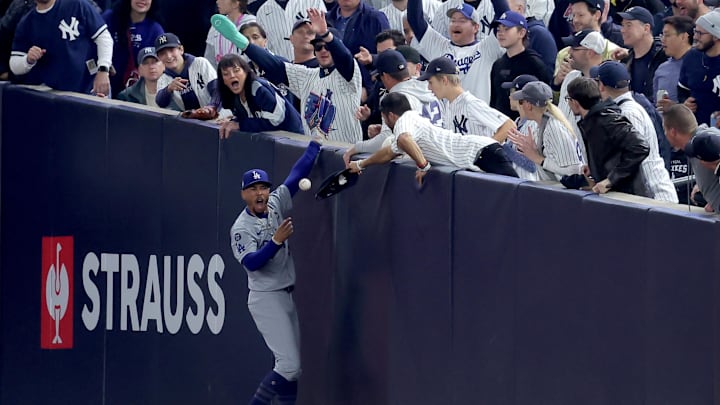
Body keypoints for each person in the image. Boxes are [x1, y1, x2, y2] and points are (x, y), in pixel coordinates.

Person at [230, 138, 322, 405]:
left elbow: (295, 177)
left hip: (284, 294)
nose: (260, 193)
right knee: (289, 366)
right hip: (265, 297)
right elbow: (252, 263)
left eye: (263, 187)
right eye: (253, 189)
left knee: (293, 371)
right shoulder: (241, 227)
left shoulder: (274, 205)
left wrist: (315, 145)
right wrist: (277, 241)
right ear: (244, 194)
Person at [228, 8, 363, 142]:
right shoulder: (307, 76)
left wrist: (325, 34)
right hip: (315, 153)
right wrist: (244, 44)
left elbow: (344, 57)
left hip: (346, 152)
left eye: (327, 46)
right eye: (318, 47)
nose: (323, 50)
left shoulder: (348, 74)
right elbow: (275, 65)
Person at [347, 92, 519, 183]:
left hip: (481, 152)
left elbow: (404, 139)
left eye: (384, 118)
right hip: (480, 154)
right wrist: (361, 164)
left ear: (391, 115)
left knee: (519, 197)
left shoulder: (404, 120)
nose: (385, 122)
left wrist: (423, 166)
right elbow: (388, 153)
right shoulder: (414, 120)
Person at [590, 61, 678, 202]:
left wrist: (610, 180)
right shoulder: (627, 108)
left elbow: (636, 154)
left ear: (601, 86)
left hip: (654, 194)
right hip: (648, 193)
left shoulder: (628, 113)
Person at [344, 49, 440, 159]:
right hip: (438, 161)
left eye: (380, 77)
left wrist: (357, 147)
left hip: (414, 163)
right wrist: (390, 129)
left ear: (386, 76)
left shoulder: (395, 98)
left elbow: (385, 142)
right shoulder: (429, 89)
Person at [407, 0, 509, 102]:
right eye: (453, 20)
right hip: (446, 116)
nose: (456, 24)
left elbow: (504, 15)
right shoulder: (439, 46)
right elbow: (414, 19)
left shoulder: (487, 48)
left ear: (476, 27)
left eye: (462, 21)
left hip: (476, 115)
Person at [566, 76, 650, 196]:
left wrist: (611, 179)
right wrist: (593, 167)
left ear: (574, 102)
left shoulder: (608, 120)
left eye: (568, 99)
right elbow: (608, 152)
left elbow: (640, 147)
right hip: (614, 194)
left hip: (629, 195)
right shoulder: (592, 121)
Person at [10, 0, 113, 96]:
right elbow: (14, 64)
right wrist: (28, 60)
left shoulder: (77, 5)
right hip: (56, 95)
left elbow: (104, 38)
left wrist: (103, 70)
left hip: (90, 87)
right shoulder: (27, 23)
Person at [420, 57, 515, 141]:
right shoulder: (449, 105)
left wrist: (486, 150)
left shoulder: (470, 104)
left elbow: (508, 125)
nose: (429, 87)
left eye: (431, 82)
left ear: (444, 80)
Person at [506, 81, 585, 180]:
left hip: (569, 192)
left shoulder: (553, 127)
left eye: (522, 101)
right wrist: (535, 152)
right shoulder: (542, 124)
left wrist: (538, 158)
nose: (521, 106)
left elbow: (575, 170)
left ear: (528, 105)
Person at [217, 54, 304, 138]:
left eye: (236, 70)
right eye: (226, 74)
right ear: (223, 80)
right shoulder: (233, 96)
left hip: (293, 137)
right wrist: (234, 121)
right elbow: (249, 118)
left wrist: (240, 124)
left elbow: (276, 120)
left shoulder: (258, 88)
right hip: (271, 141)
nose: (232, 76)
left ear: (246, 72)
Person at [489, 10, 552, 119]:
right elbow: (494, 100)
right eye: (498, 29)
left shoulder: (534, 63)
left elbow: (546, 100)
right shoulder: (497, 64)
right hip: (501, 125)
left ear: (521, 33)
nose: (500, 33)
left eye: (506, 29)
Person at [663, 104, 720, 211]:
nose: (665, 134)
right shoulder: (701, 140)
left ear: (672, 132)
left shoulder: (704, 143)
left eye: (665, 130)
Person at [154, 33, 224, 115]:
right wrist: (169, 89)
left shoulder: (200, 63)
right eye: (163, 53)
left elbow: (217, 90)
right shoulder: (163, 78)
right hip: (191, 122)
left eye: (171, 50)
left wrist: (211, 107)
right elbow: (160, 102)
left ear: (181, 49)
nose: (168, 56)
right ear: (159, 58)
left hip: (218, 116)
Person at [102, 0, 164, 94]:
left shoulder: (155, 29)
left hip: (135, 92)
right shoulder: (110, 17)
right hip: (104, 81)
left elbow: (161, 63)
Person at [677, 10, 720, 127]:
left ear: (715, 36)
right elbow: (682, 89)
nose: (695, 37)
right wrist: (685, 103)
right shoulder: (691, 57)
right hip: (695, 132)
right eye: (695, 31)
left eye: (700, 33)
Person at [614, 6, 666, 101]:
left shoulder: (663, 56)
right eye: (623, 25)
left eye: (629, 25)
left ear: (646, 28)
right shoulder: (626, 60)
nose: (622, 30)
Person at [254, 0, 326, 61]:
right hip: (282, 70)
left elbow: (325, 33)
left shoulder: (314, 1)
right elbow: (264, 47)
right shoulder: (263, 11)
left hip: (315, 67)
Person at [205, 0, 256, 69]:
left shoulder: (252, 23)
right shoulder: (216, 25)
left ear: (236, 3)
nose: (217, 1)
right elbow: (209, 59)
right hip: (221, 76)